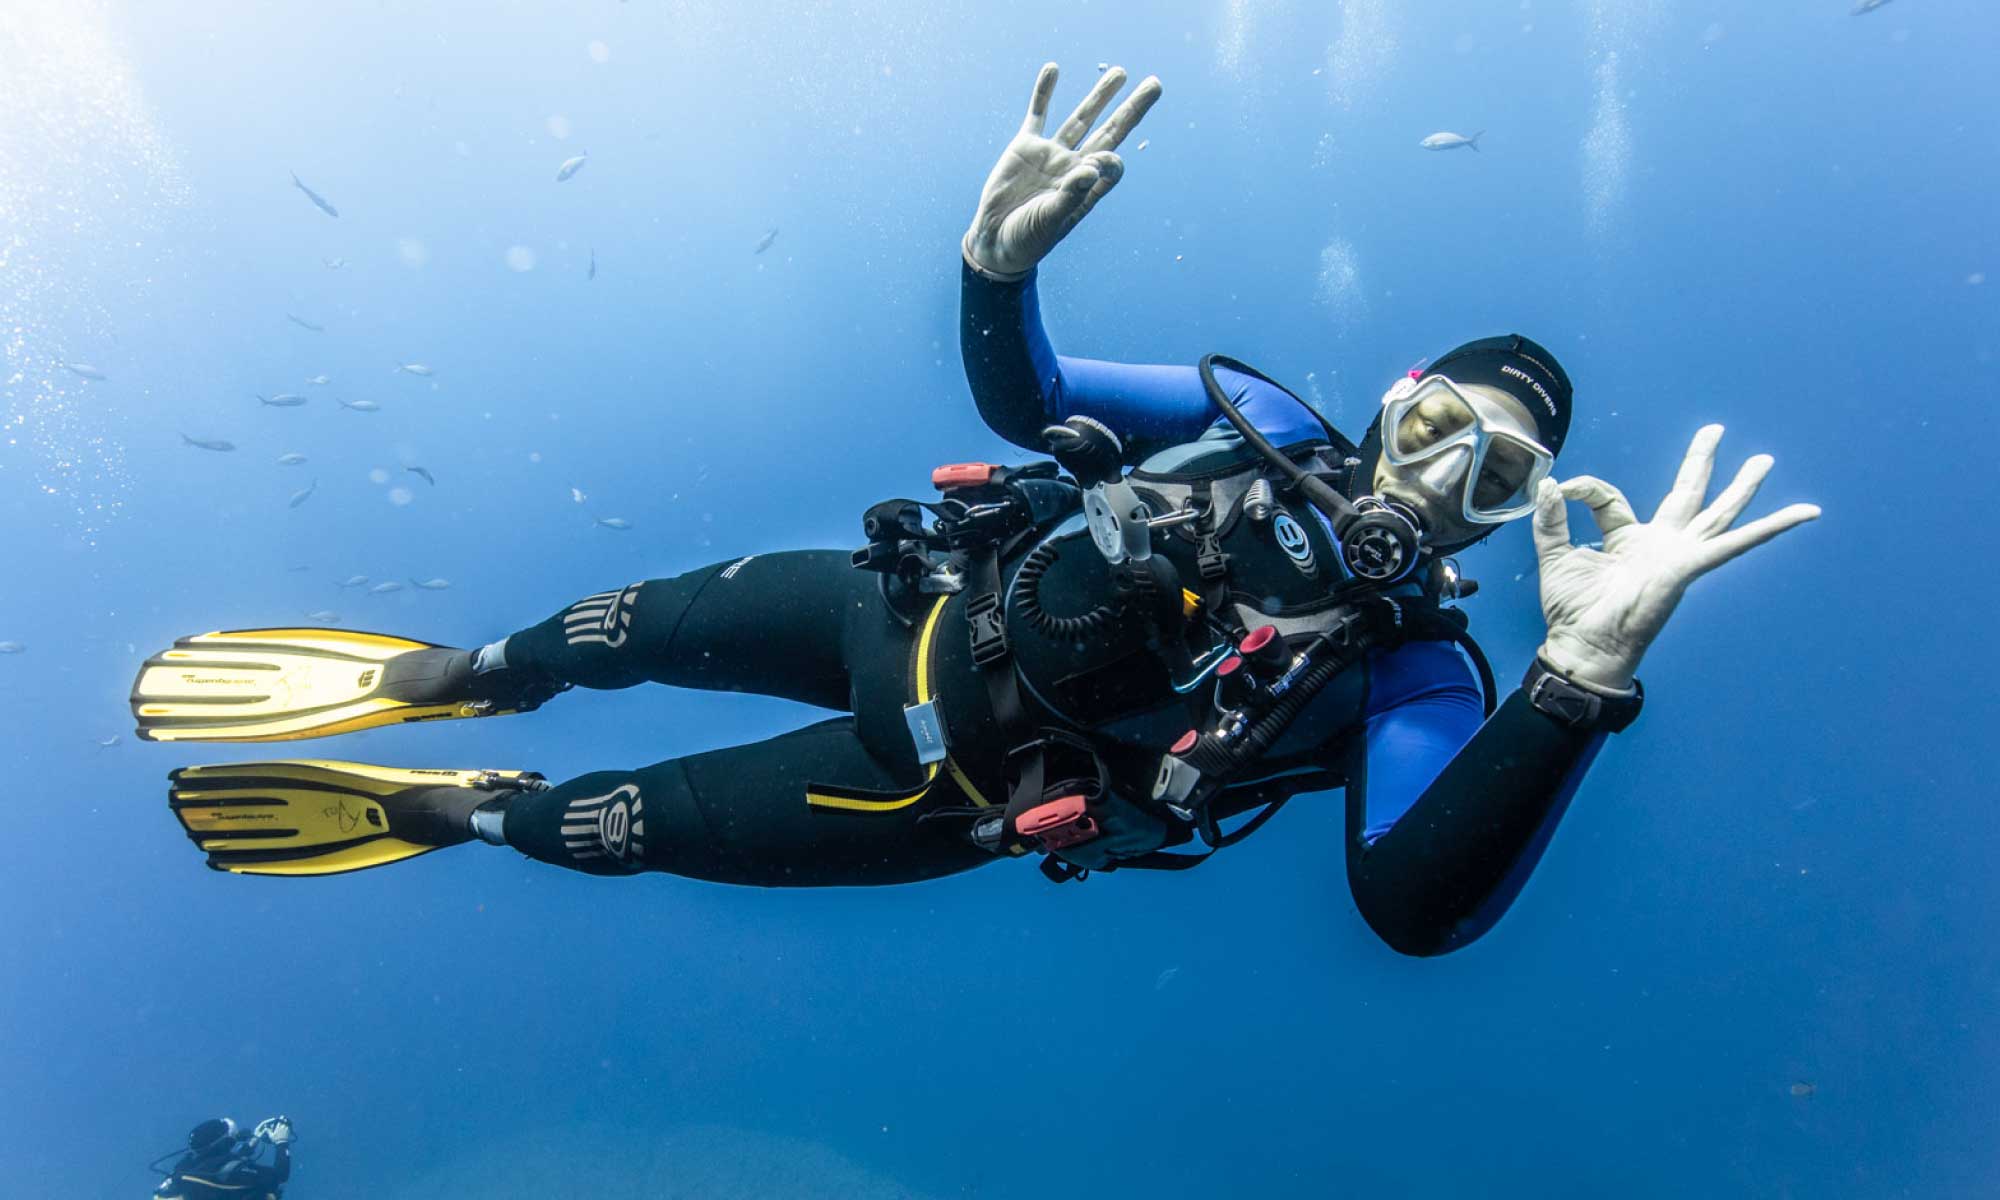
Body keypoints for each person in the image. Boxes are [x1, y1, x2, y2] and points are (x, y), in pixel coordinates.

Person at [134, 64, 1817, 955]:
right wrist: (995, 264)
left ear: (1500, 526)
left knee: (606, 828)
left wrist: (1576, 681)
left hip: (935, 786)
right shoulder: (1266, 424)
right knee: (617, 631)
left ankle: (468, 808)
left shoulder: (1425, 675)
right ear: (1393, 401)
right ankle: (457, 679)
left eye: (1501, 476)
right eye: (1446, 423)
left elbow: (1411, 909)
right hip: (900, 607)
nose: (1452, 473)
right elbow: (1030, 398)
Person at [150, 1116, 292, 1199]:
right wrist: (281, 1142)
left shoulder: (186, 1167)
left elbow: (220, 1167)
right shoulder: (229, 1171)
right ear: (225, 1143)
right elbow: (279, 1175)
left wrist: (251, 1145)